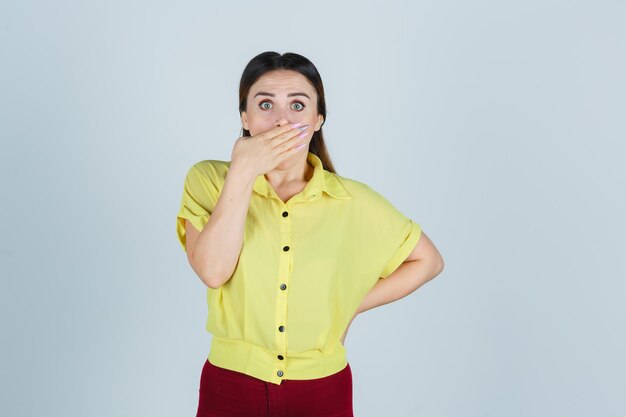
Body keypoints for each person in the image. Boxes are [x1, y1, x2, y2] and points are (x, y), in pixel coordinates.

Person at [176, 51, 445, 417]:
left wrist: (349, 304)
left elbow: (427, 261)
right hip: (230, 384)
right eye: (265, 104)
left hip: (322, 389)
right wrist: (242, 171)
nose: (282, 120)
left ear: (318, 120)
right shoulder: (208, 180)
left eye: (298, 105)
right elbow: (213, 271)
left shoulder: (352, 200)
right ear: (245, 116)